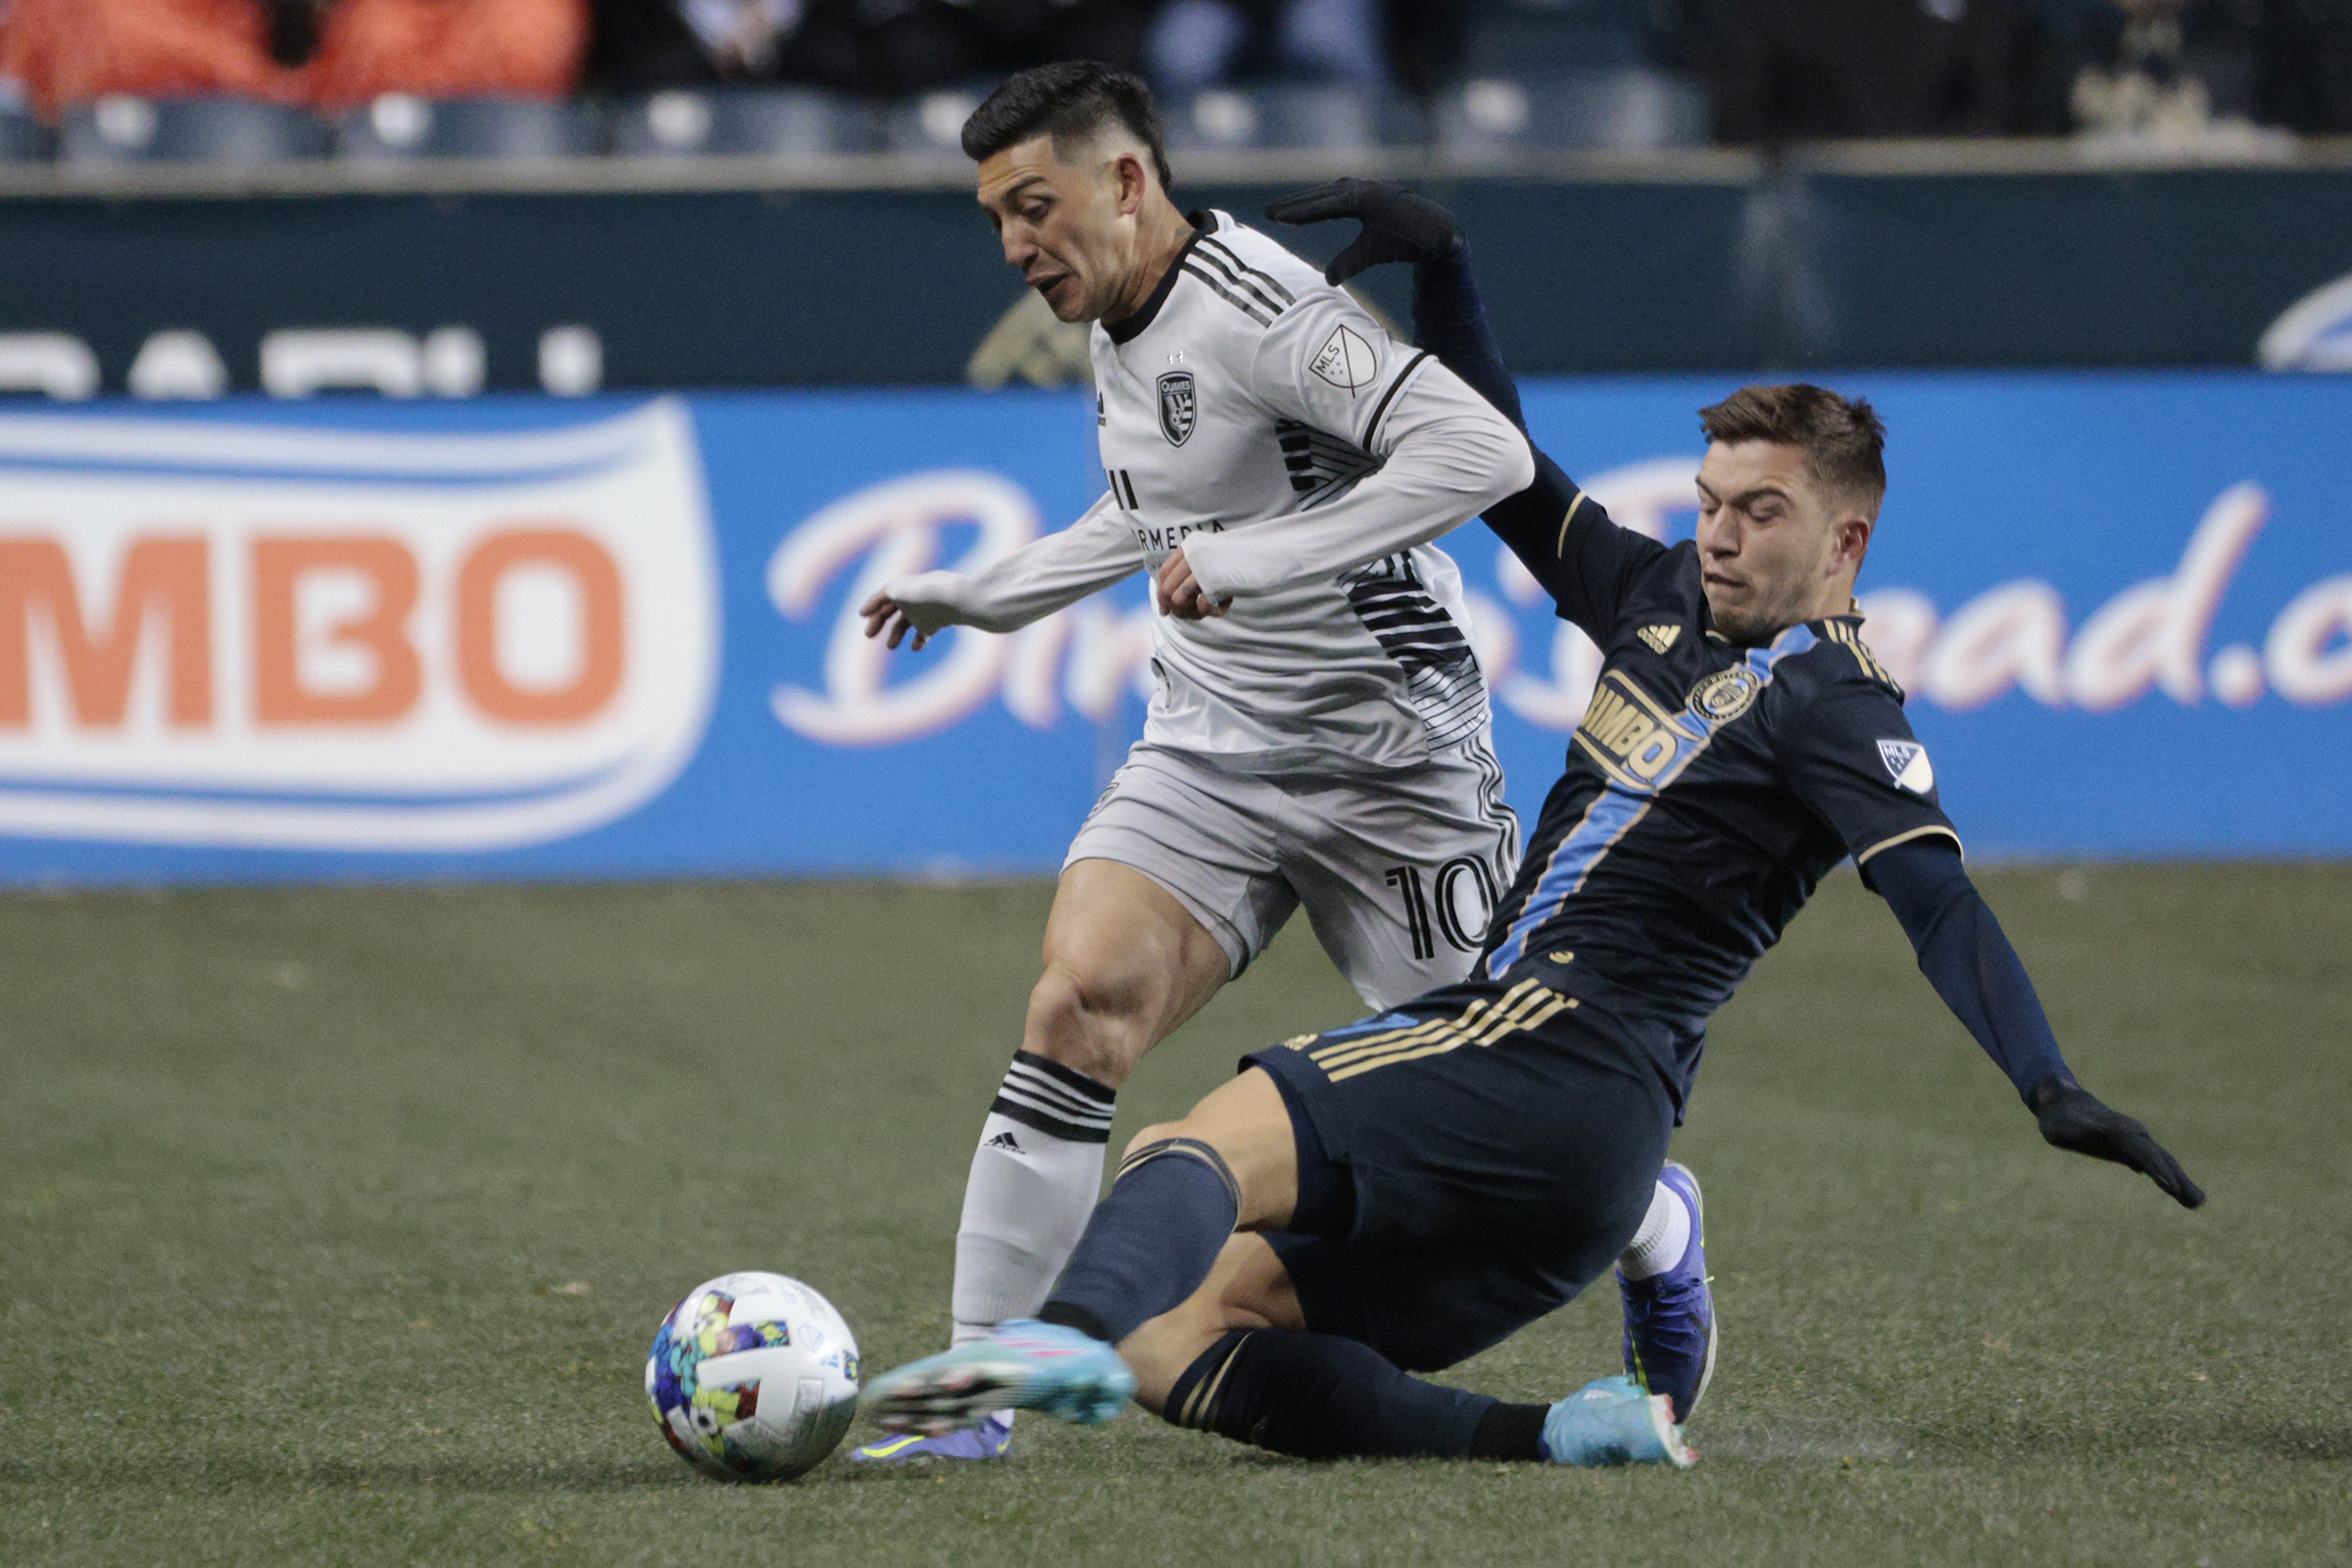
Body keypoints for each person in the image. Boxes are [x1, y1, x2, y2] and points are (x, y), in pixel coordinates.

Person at [862, 179, 2206, 1468]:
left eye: (1763, 513)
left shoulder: (1838, 711)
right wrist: (1442, 262)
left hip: (1556, 1057)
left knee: (1185, 1151)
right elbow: (1503, 463)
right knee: (1186, 1338)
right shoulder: (1659, 597)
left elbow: (1938, 900)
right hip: (1564, 1140)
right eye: (1711, 503)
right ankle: (1558, 1431)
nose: (1723, 537)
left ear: (1847, 545)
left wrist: (2049, 1086)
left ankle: (1051, 1345)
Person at [847, 65, 1713, 1463]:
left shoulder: (1266, 309)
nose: (1015, 246)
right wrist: (987, 592)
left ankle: (1655, 1224)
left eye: (1034, 207)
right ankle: (974, 1404)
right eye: (998, 218)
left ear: (1127, 183)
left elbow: (1481, 451)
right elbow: (1154, 514)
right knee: (1077, 1004)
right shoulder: (1111, 314)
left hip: (1396, 767)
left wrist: (1257, 560)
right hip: (1211, 747)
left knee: (1514, 1105)